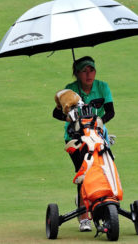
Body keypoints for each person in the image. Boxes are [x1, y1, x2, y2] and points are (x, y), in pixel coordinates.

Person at [52, 56, 115, 232]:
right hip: (75, 138)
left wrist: (101, 120)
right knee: (83, 171)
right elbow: (55, 113)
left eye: (91, 70)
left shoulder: (102, 87)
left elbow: (110, 111)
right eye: (84, 71)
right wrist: (70, 118)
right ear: (77, 73)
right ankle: (83, 217)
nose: (89, 74)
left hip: (98, 135)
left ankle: (104, 206)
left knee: (103, 168)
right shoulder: (71, 90)